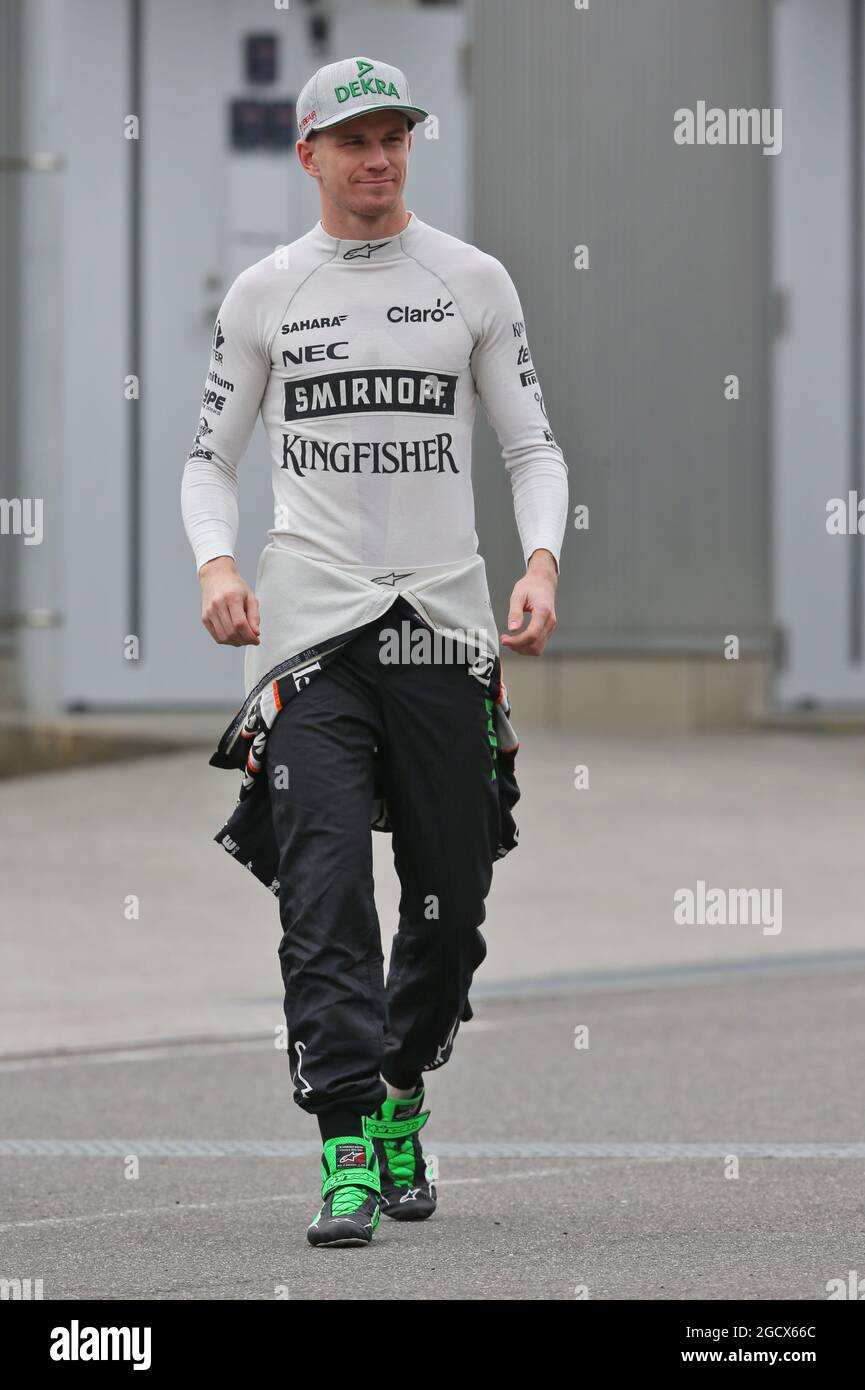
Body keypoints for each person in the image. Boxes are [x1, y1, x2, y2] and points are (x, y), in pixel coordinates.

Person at [181, 55, 568, 1249]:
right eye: (351, 140)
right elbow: (210, 461)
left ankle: (400, 1088)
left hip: (444, 632)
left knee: (450, 905)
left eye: (394, 136)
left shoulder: (471, 280)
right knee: (325, 890)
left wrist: (541, 561)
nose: (377, 158)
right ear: (307, 155)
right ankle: (346, 1140)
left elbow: (530, 448)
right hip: (312, 635)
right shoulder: (263, 292)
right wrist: (218, 565)